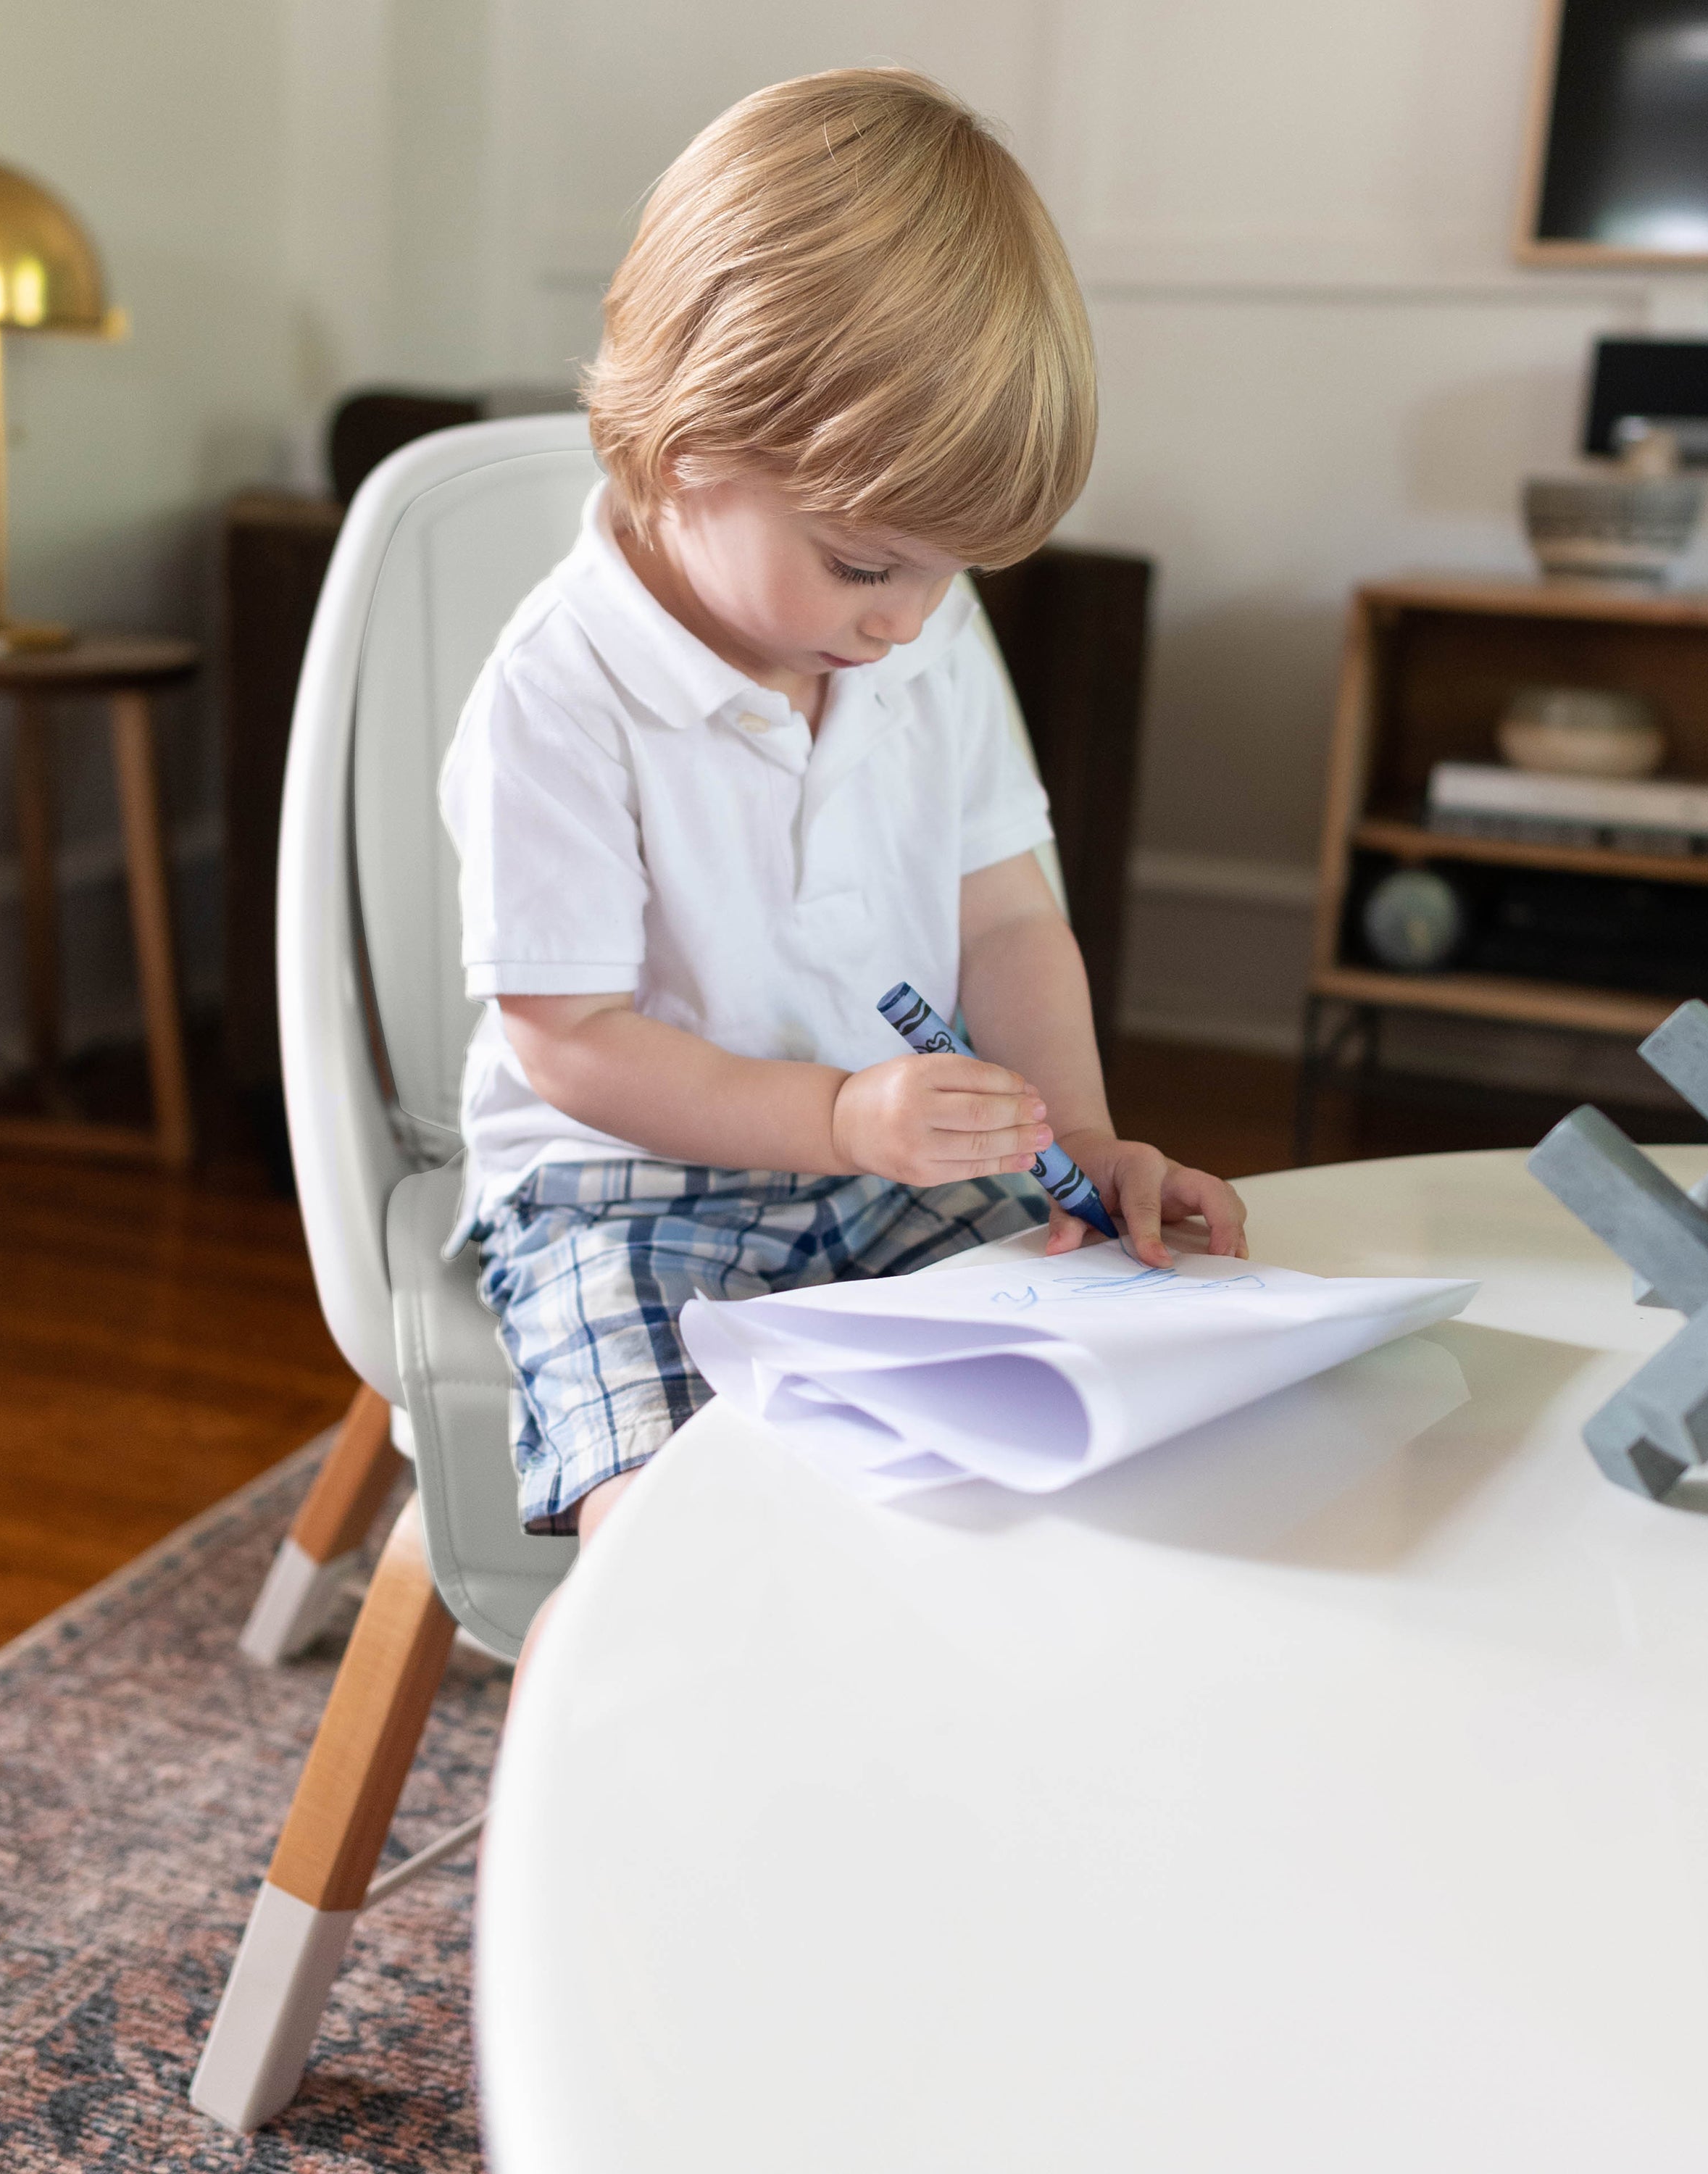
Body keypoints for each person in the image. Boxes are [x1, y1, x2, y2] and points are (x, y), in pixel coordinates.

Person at [440, 67, 1248, 1657]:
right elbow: (568, 1041)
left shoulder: (914, 642)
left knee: (1103, 1435)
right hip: (625, 1194)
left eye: (952, 573)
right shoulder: (558, 689)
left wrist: (1079, 1141)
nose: (912, 620)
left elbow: (1009, 918)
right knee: (675, 1545)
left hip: (888, 1162)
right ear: (686, 447)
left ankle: (962, 1773)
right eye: (870, 565)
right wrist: (833, 1116)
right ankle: (664, 1822)